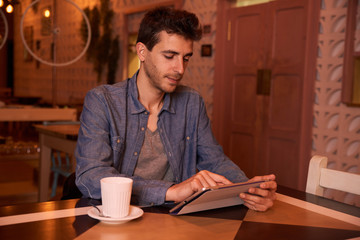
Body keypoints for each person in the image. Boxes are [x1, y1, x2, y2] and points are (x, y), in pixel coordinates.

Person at [75, 6, 277, 211]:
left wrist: (247, 189)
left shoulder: (191, 103)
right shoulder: (102, 101)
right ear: (142, 52)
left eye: (186, 58)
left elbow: (214, 161)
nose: (180, 69)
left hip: (176, 217)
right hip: (119, 215)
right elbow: (91, 175)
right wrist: (171, 191)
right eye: (169, 56)